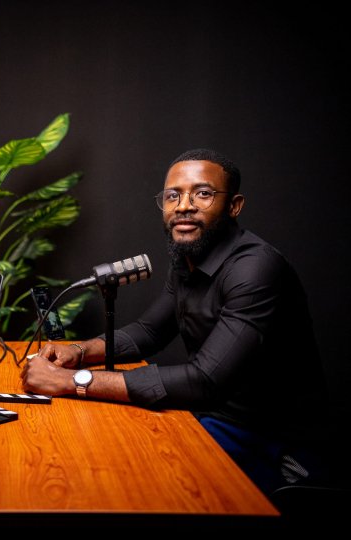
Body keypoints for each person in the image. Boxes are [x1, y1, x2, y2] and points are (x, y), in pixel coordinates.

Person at [21, 148, 331, 496]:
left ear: (234, 206)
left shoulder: (255, 268)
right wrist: (78, 351)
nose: (184, 205)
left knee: (131, 482)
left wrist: (70, 381)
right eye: (173, 195)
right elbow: (149, 332)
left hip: (268, 440)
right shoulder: (188, 261)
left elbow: (204, 380)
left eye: (203, 193)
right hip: (209, 416)